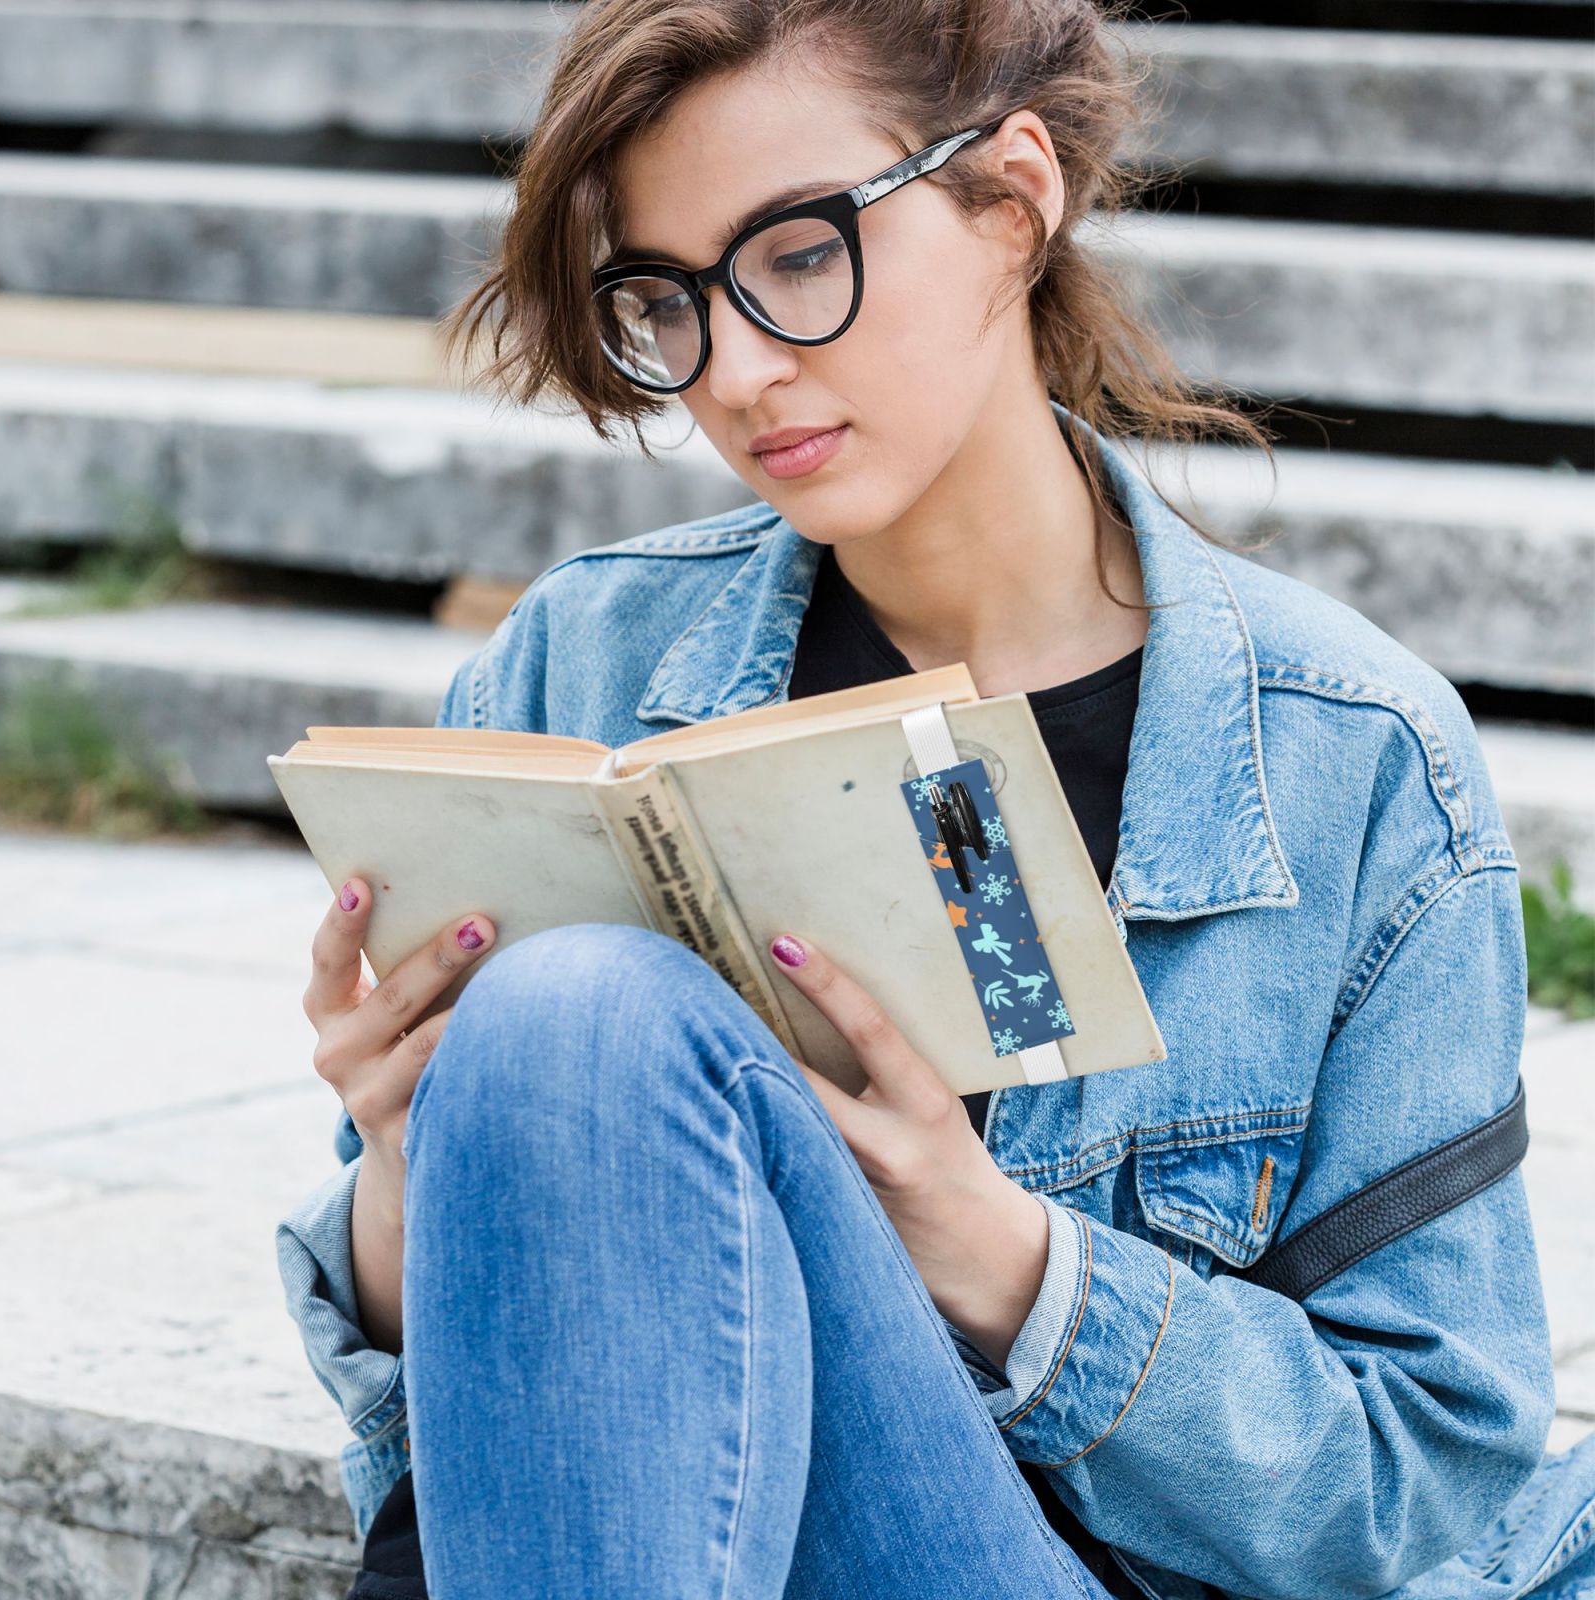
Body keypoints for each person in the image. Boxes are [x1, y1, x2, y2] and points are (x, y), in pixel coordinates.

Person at [275, 1, 1595, 1595]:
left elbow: (1423, 1486)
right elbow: (483, 1445)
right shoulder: (581, 664)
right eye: (669, 300)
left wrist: (995, 1252)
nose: (741, 370)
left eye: (799, 254)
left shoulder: (1352, 761)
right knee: (575, 1023)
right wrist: (416, 1157)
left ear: (1013, 201)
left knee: (579, 1014)